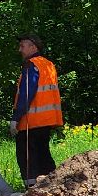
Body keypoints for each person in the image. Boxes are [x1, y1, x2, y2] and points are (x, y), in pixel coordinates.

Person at [10, 33, 64, 187]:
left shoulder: (31, 65)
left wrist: (16, 118)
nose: (20, 50)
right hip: (46, 120)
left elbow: (26, 93)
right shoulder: (48, 65)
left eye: (22, 46)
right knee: (43, 154)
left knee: (27, 156)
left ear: (33, 47)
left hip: (31, 121)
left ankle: (32, 188)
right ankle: (51, 186)